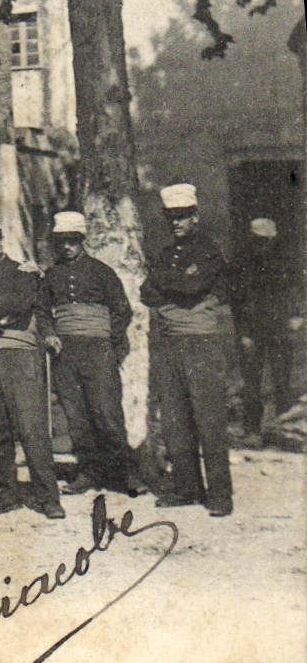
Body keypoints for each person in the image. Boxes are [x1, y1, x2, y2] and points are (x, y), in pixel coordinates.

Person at [0, 212, 63, 519]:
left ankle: (48, 497)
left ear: (0, 239)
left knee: (32, 428)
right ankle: (4, 494)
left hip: (20, 356)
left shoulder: (23, 272)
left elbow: (22, 304)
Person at [140, 183, 234, 517]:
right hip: (169, 344)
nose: (176, 223)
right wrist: (177, 286)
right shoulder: (166, 254)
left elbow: (194, 285)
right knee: (175, 420)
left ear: (195, 216)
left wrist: (169, 286)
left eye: (182, 217)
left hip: (201, 343)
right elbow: (146, 293)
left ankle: (220, 494)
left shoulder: (210, 250)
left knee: (208, 419)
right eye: (171, 218)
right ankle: (187, 487)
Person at [42, 211, 138, 496]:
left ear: (82, 240)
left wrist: (109, 341)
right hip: (66, 353)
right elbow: (42, 310)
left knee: (107, 413)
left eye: (72, 241)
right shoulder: (52, 274)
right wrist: (48, 333)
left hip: (98, 351)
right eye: (62, 242)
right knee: (77, 415)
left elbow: (122, 310)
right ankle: (88, 472)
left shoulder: (101, 272)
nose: (67, 247)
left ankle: (125, 473)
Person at [232, 217, 302, 439]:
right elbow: (238, 301)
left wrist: (297, 315)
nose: (261, 245)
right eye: (257, 240)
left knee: (282, 378)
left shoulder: (285, 263)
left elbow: (297, 289)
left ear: (273, 239)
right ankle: (252, 429)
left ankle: (284, 430)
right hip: (253, 329)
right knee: (252, 381)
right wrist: (243, 332)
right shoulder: (243, 265)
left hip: (280, 326)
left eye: (265, 240)